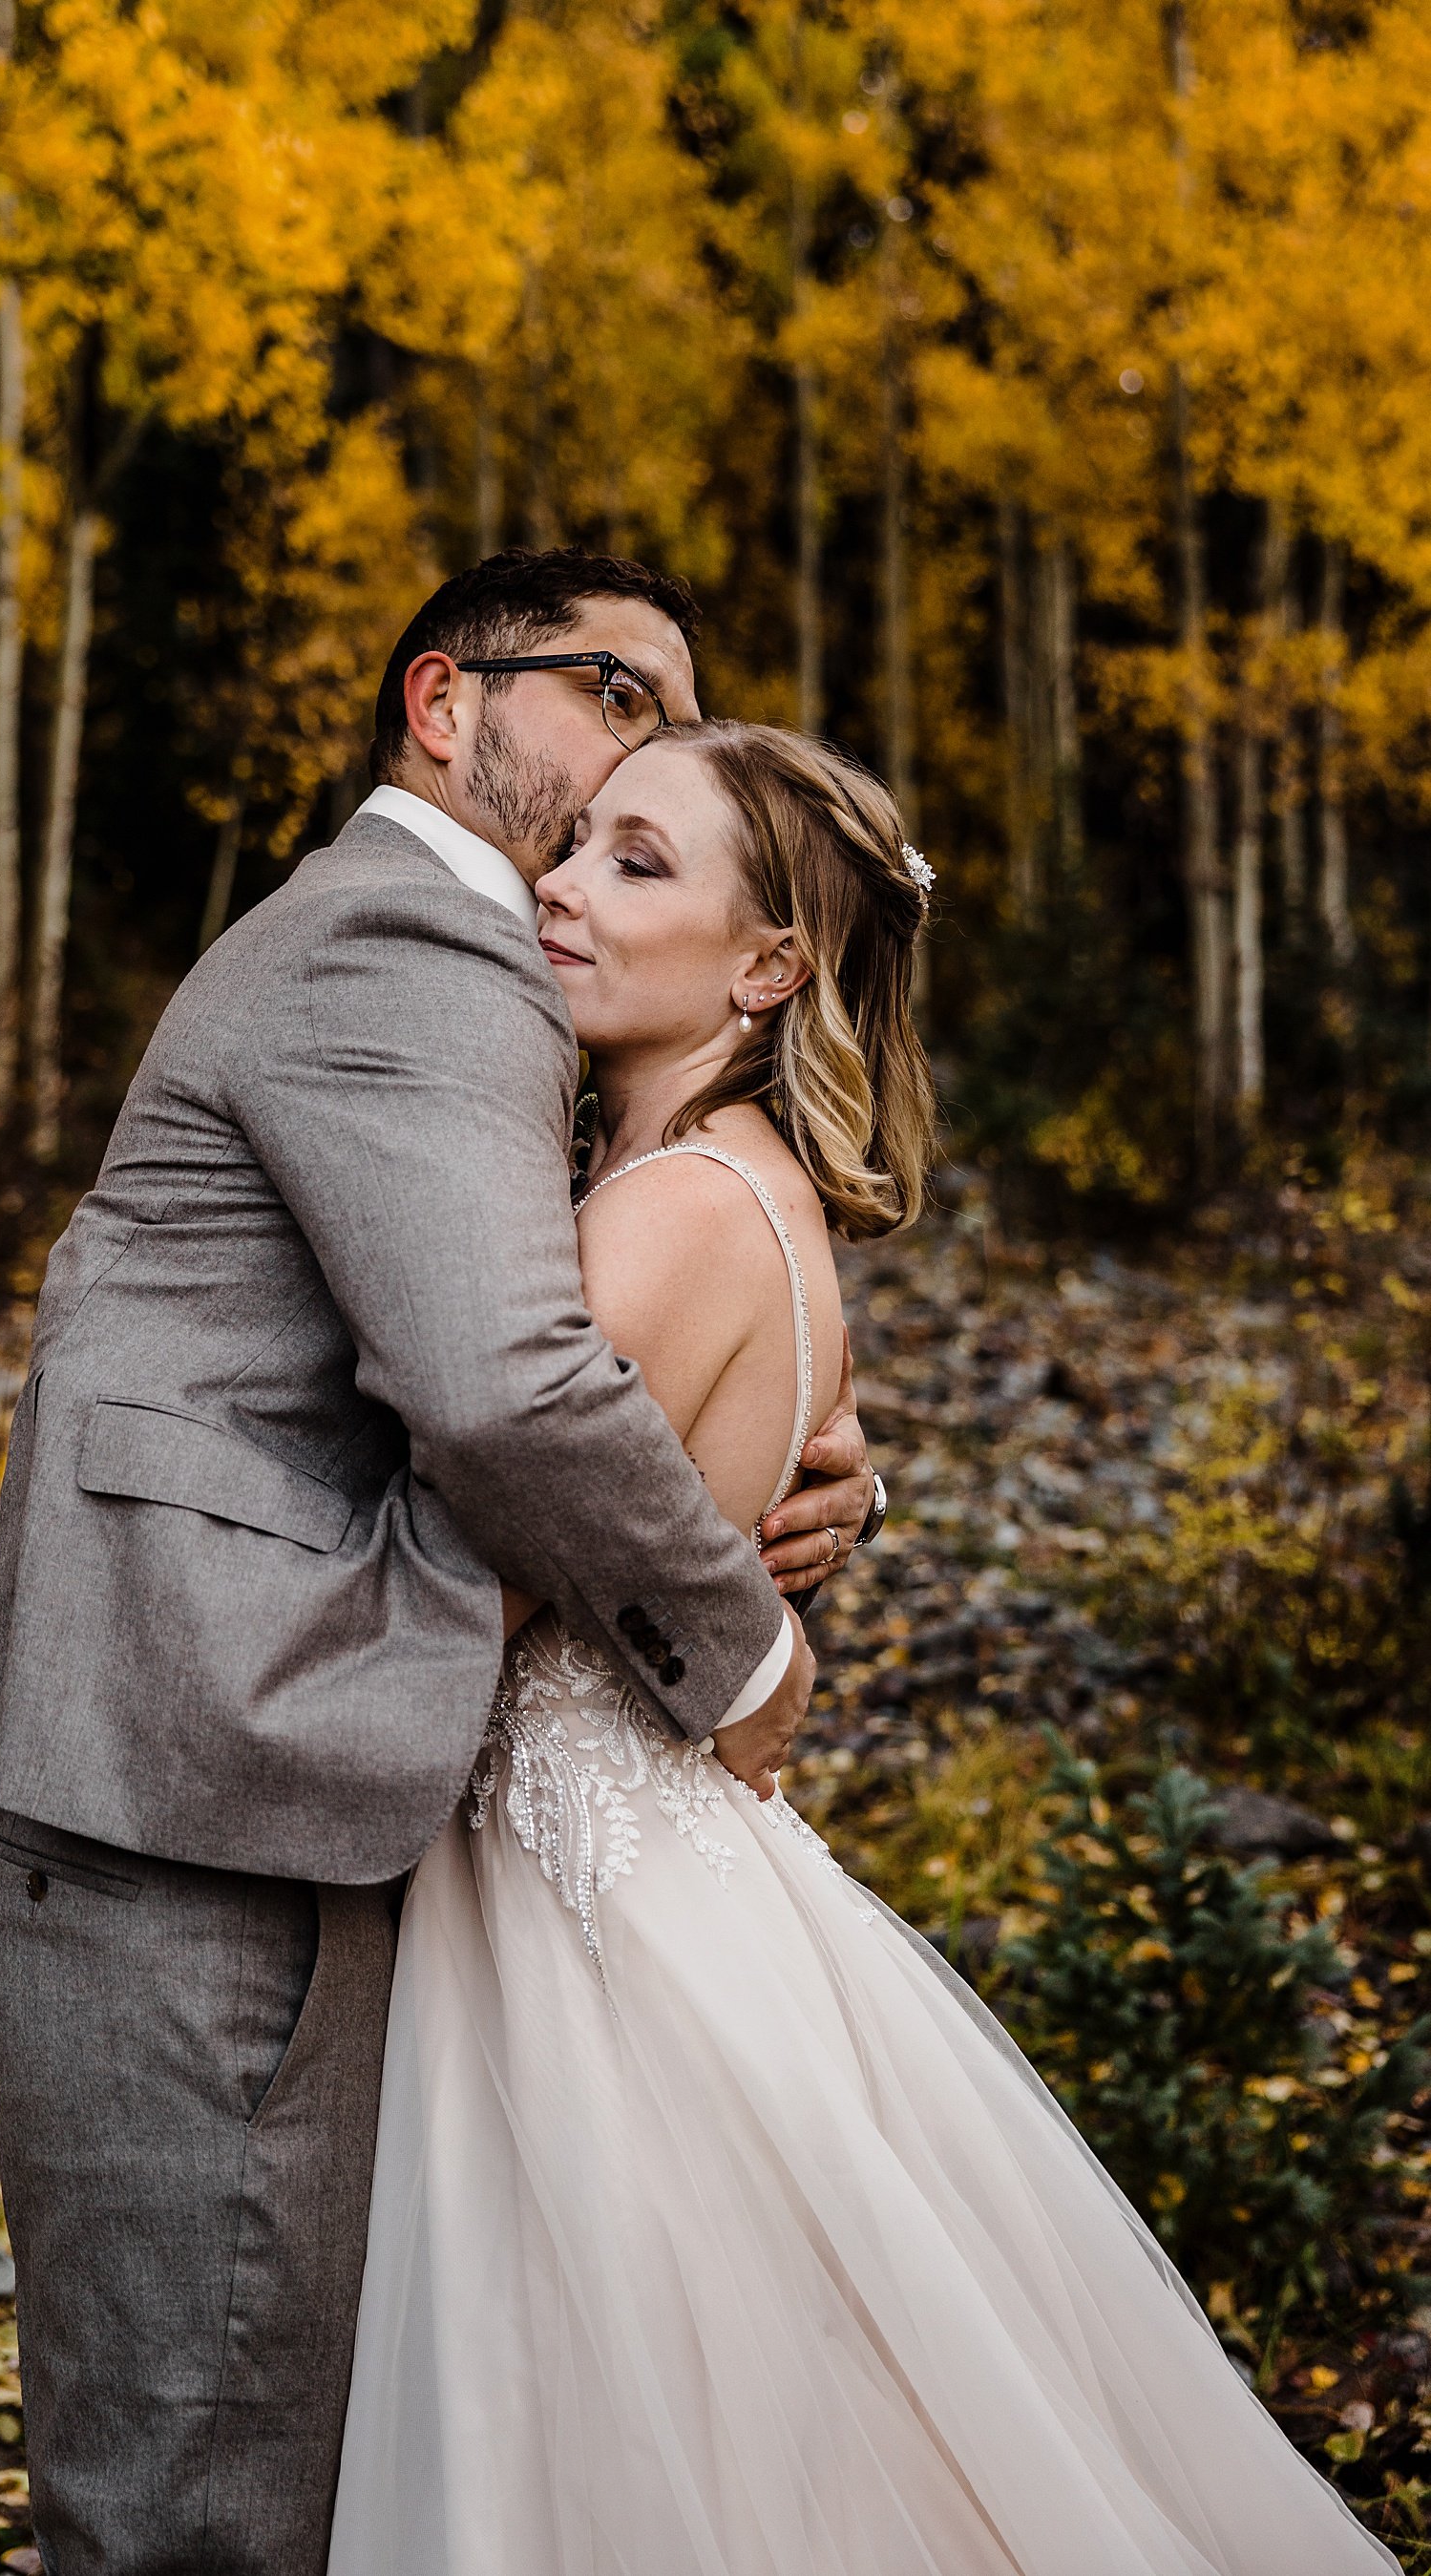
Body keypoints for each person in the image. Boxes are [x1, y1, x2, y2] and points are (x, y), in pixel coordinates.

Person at [327, 721, 1398, 2576]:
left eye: (635, 862)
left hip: (584, 1932)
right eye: (571, 845)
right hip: (668, 1866)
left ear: (769, 967)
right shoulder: (762, 1197)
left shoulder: (654, 1219)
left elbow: (460, 1592)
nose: (561, 886)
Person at [0, 550, 878, 2576]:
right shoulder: (414, 943)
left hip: (218, 1807)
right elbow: (515, 1387)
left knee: (265, 2480)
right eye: (615, 693)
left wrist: (791, 1455)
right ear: (443, 702)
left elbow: (566, 1323)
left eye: (683, 715)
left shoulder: (449, 974)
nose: (661, 735)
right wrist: (739, 1653)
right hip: (202, 1824)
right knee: (199, 2512)